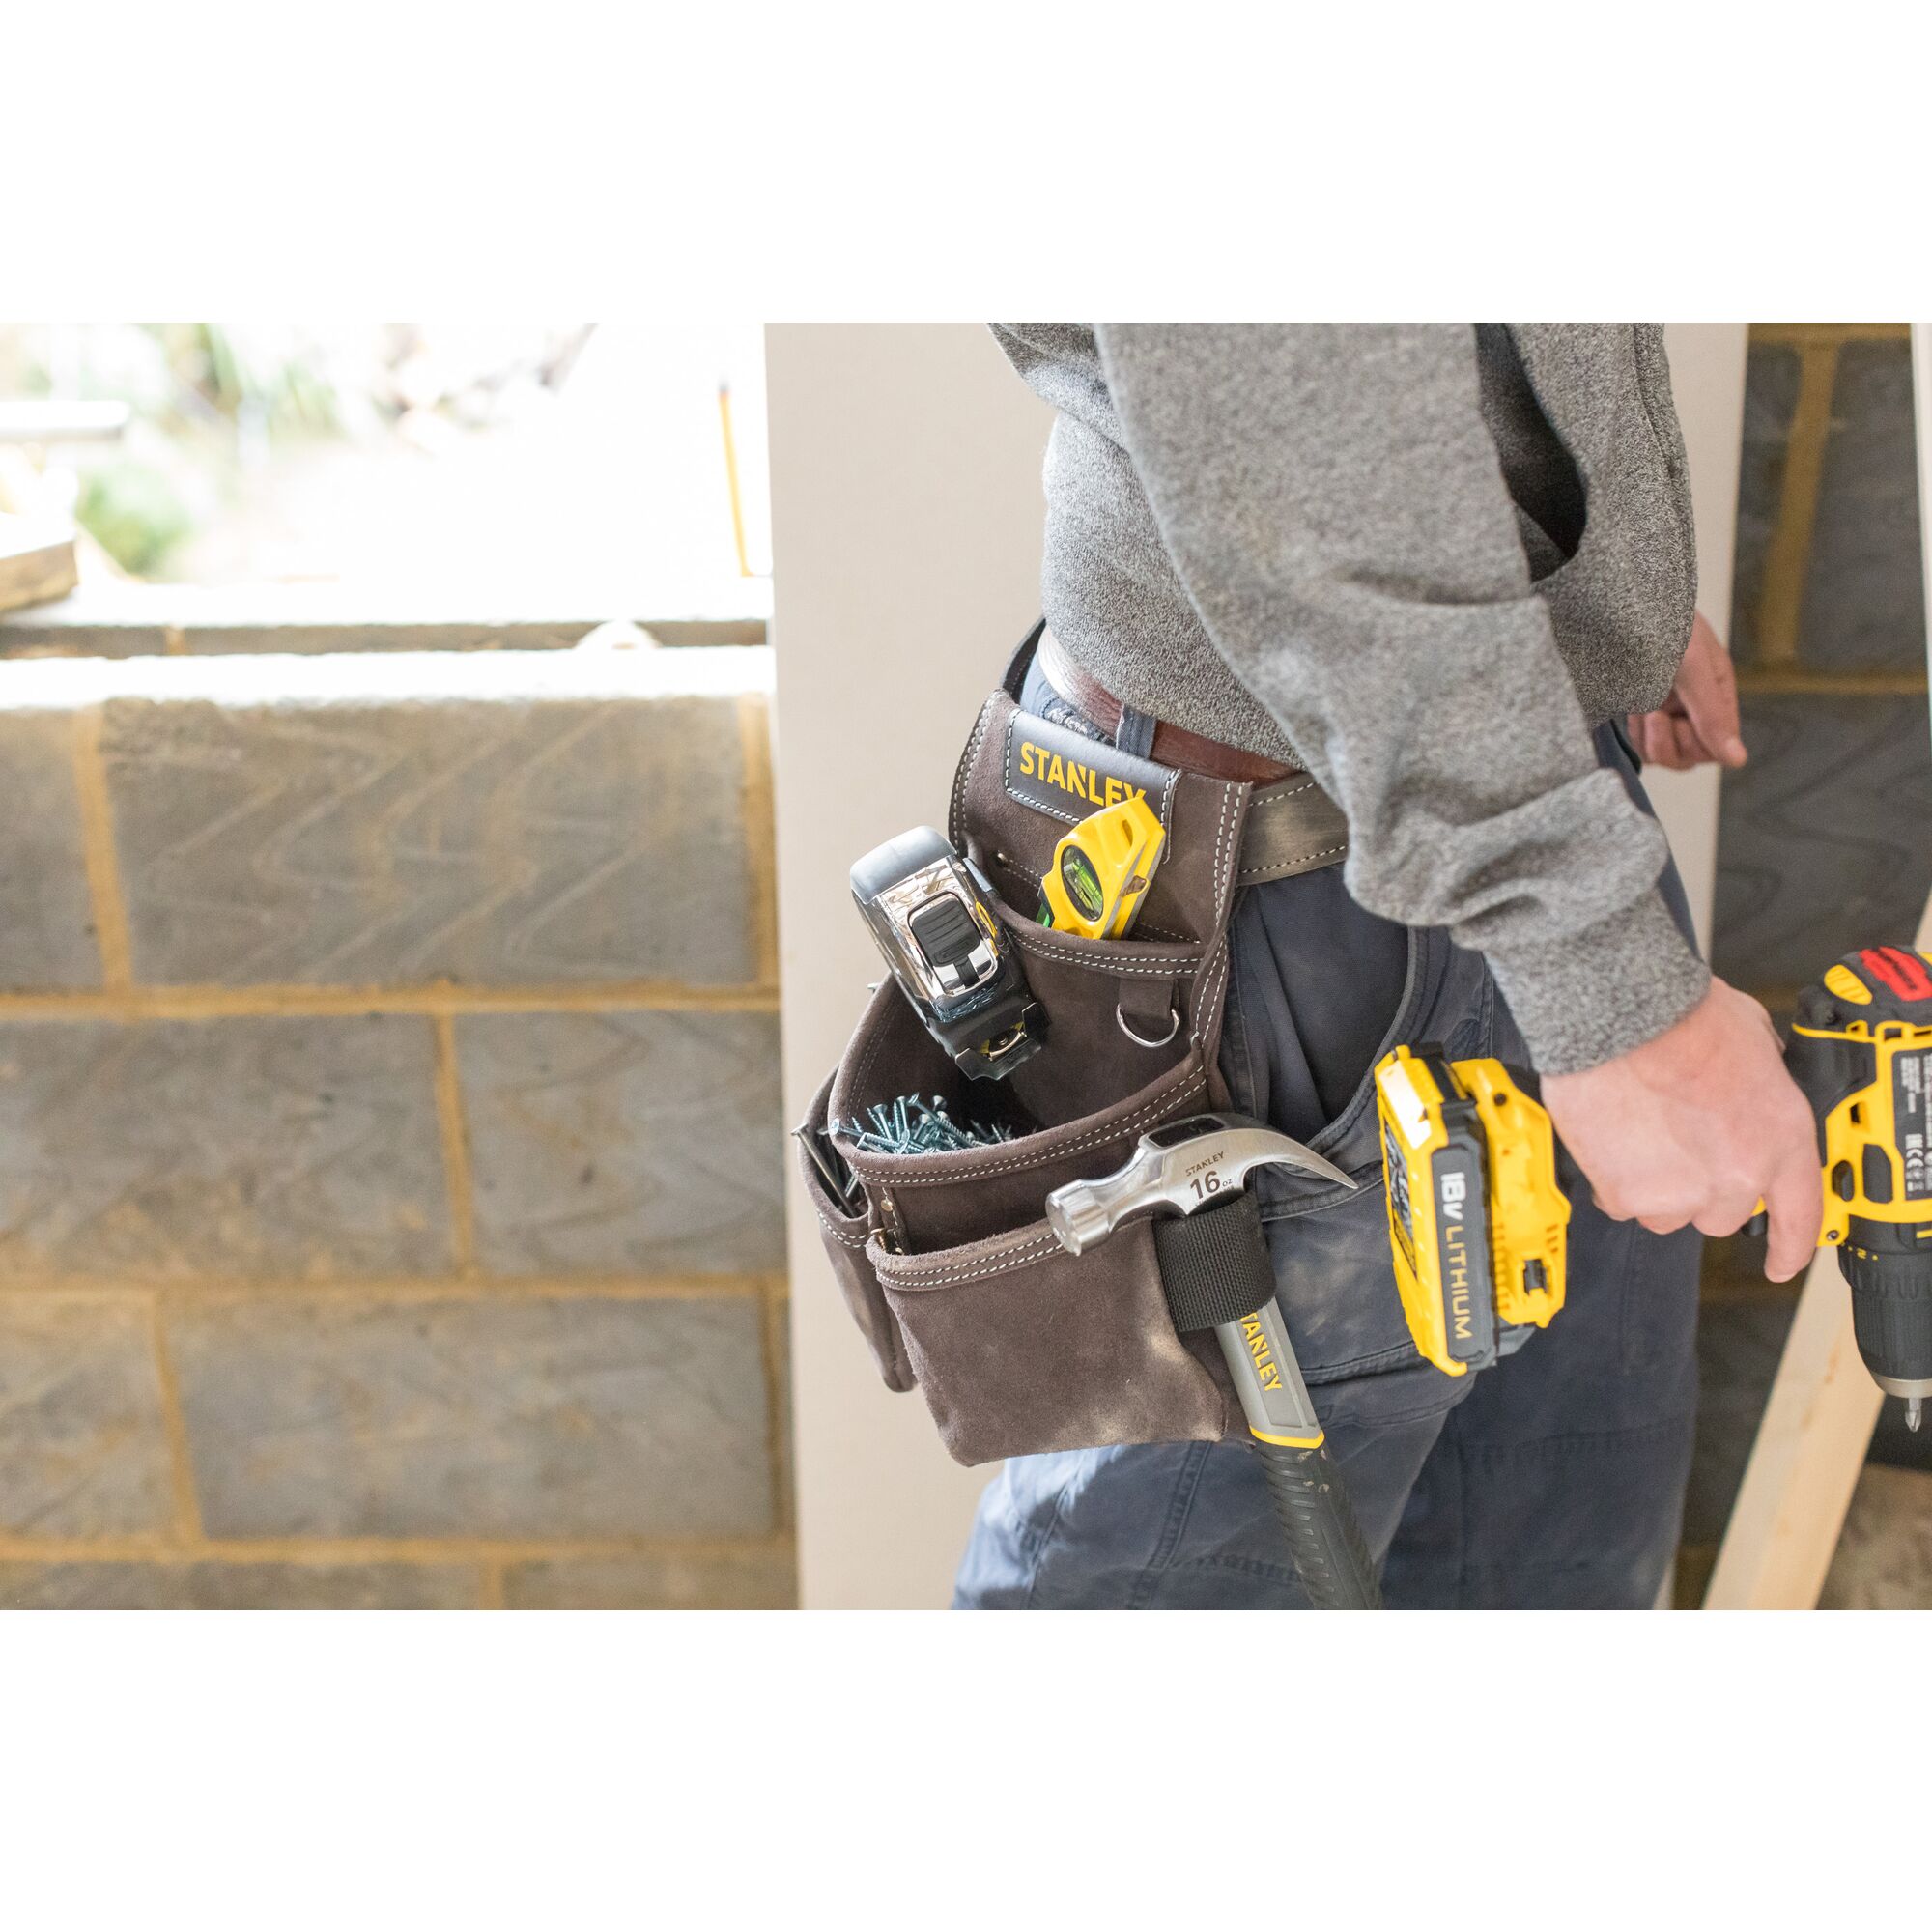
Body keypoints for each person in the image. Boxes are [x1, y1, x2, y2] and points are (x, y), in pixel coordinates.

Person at [952, 325, 1822, 1610]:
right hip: (1277, 865)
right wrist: (1605, 981)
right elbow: (1276, 372)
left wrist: (1584, 593)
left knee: (1551, 1578)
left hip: (1507, 789)